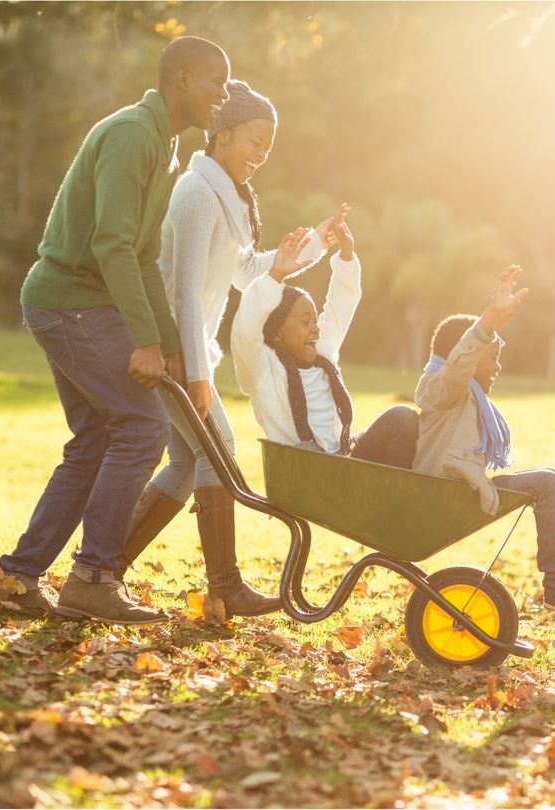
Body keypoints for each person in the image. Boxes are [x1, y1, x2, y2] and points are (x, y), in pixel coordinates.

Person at [0, 37, 232, 625]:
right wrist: (146, 343)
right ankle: (94, 577)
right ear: (180, 79)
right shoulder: (131, 135)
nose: (224, 96)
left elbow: (144, 257)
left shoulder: (163, 145)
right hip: (70, 301)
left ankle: (18, 578)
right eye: (215, 82)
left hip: (79, 303)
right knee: (141, 427)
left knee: (95, 439)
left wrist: (168, 343)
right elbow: (111, 244)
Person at [115, 80, 340, 616]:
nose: (261, 154)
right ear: (221, 134)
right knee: (219, 451)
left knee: (188, 462)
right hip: (172, 353)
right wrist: (196, 370)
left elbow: (245, 271)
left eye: (268, 145)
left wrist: (316, 245)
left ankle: (101, 570)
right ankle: (225, 586)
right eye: (254, 141)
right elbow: (184, 290)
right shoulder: (195, 193)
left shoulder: (228, 198)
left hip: (185, 354)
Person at [413, 266, 555, 620]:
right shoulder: (442, 389)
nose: (497, 368)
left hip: (459, 487)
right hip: (442, 493)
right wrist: (489, 320)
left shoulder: (465, 397)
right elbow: (458, 365)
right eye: (492, 358)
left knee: (549, 478)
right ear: (465, 358)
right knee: (547, 482)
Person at [230, 217, 419, 467]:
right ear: (277, 334)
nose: (315, 329)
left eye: (315, 321)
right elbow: (245, 330)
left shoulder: (322, 354)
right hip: (305, 472)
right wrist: (275, 275)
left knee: (403, 418)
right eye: (305, 321)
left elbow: (341, 306)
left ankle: (388, 498)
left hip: (340, 460)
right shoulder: (262, 369)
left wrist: (346, 255)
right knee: (312, 451)